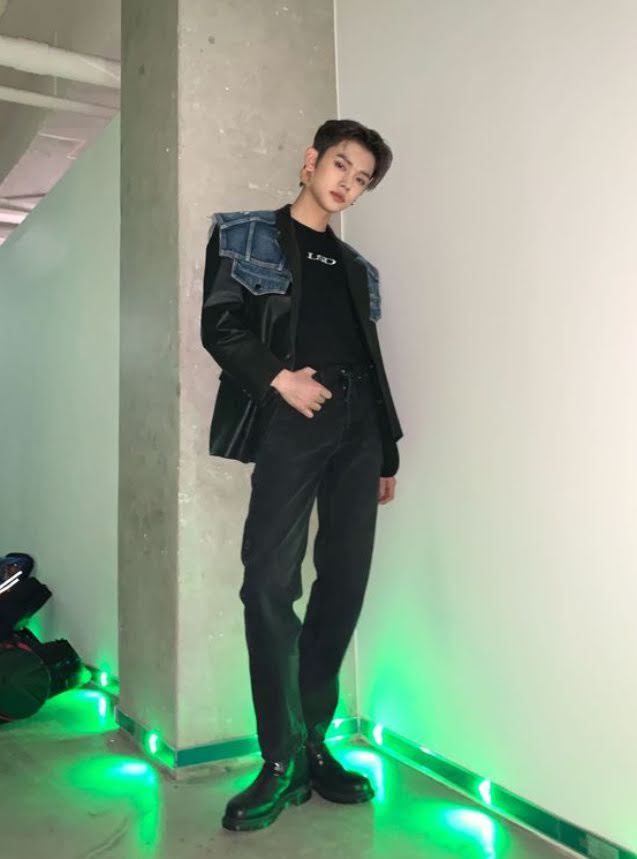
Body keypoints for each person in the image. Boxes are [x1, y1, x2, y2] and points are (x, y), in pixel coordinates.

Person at [200, 118, 403, 832]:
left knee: (343, 583)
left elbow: (372, 361)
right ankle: (280, 757)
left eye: (362, 178)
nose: (348, 183)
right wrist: (280, 380)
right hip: (294, 416)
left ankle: (315, 742)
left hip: (359, 426)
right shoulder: (244, 234)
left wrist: (387, 450)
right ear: (310, 160)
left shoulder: (358, 269)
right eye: (341, 165)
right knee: (267, 582)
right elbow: (220, 325)